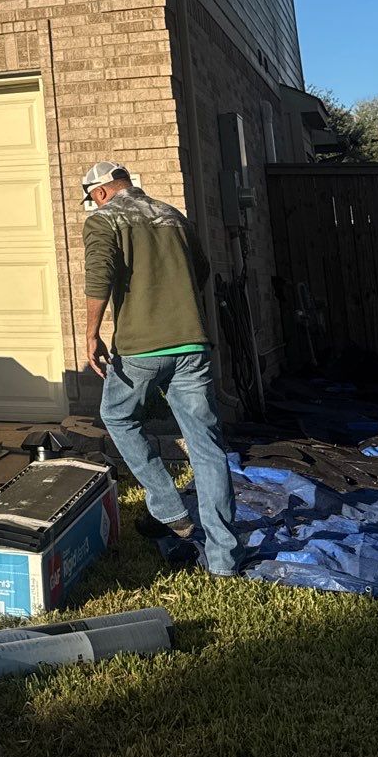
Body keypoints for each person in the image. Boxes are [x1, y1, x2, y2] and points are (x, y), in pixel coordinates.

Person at [80, 160, 241, 577]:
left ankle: (169, 507)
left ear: (101, 192)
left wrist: (91, 334)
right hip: (193, 343)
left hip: (142, 348)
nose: (94, 205)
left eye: (93, 199)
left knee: (118, 415)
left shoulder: (104, 221)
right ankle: (224, 559)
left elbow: (98, 277)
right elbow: (201, 271)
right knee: (206, 445)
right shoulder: (173, 216)